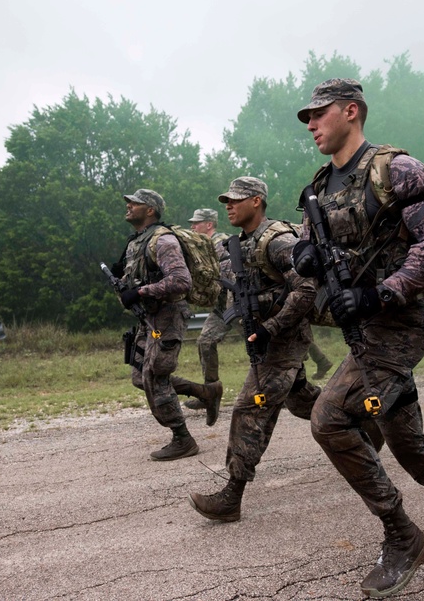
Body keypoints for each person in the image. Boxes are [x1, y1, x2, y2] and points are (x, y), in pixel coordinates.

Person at [292, 79, 424, 596]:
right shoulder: (320, 187)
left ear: (352, 111)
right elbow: (305, 246)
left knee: (329, 418)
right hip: (362, 329)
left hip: (398, 324)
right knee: (408, 443)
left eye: (319, 114)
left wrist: (381, 293)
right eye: (308, 119)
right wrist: (304, 258)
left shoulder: (398, 170)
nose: (312, 125)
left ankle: (402, 536)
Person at [187, 177, 322, 521]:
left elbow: (307, 289)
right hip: (267, 338)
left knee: (250, 409)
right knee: (301, 399)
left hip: (282, 340)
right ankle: (357, 419)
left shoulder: (277, 241)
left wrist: (270, 328)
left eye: (236, 199)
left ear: (257, 201)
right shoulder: (238, 244)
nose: (228, 205)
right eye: (226, 200)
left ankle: (231, 497)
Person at [114, 188, 222, 461]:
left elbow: (180, 281)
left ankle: (183, 439)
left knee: (155, 376)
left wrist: (139, 292)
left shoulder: (163, 241)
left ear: (150, 209)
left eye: (134, 203)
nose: (128, 206)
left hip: (168, 315)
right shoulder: (137, 241)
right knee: (141, 377)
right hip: (148, 318)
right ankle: (204, 392)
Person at [183, 208, 232, 410]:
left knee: (266, 344)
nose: (192, 226)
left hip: (238, 303)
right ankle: (211, 393)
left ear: (209, 224)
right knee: (205, 341)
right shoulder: (203, 246)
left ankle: (288, 389)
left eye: (196, 223)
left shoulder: (221, 243)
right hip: (222, 307)